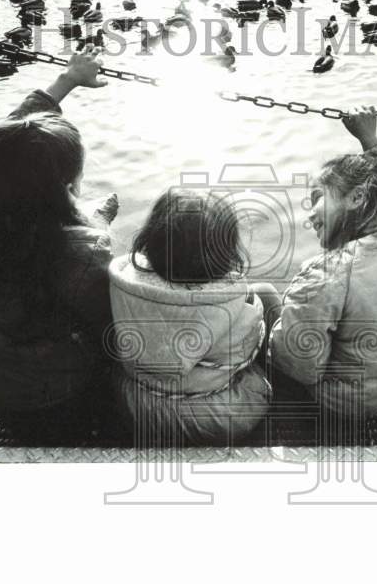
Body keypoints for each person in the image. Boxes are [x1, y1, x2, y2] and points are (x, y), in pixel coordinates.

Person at [0, 49, 120, 445]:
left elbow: (7, 144)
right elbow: (116, 336)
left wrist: (66, 81)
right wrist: (94, 226)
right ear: (63, 191)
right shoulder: (82, 252)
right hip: (64, 407)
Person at [267, 105, 377, 424]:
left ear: (357, 198)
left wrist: (265, 337)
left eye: (319, 197)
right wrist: (371, 142)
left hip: (340, 402)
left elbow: (300, 366)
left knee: (264, 302)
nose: (310, 213)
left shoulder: (330, 273)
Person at [108, 188, 274, 446]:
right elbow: (247, 350)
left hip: (135, 407)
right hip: (217, 419)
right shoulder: (239, 304)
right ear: (225, 251)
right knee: (257, 380)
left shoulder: (123, 283)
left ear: (152, 238)